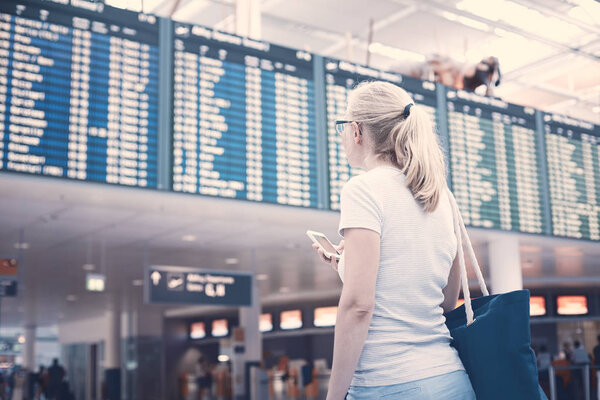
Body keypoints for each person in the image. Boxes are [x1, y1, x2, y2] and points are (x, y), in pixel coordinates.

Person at [312, 81, 475, 399]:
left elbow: (359, 306)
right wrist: (348, 266)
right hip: (451, 379)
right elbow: (444, 300)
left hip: (390, 384)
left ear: (357, 131)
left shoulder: (363, 189)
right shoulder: (442, 196)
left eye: (342, 126)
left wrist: (334, 396)